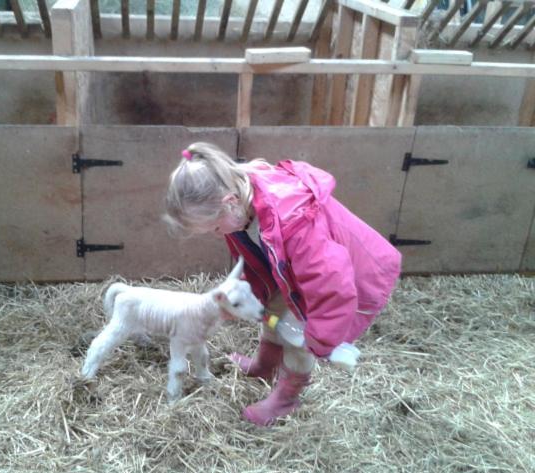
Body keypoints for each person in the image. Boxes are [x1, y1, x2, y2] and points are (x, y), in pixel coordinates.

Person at [164, 142, 402, 426]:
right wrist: (245, 296)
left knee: (298, 334)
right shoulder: (240, 209)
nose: (216, 235)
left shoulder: (294, 222)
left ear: (229, 202)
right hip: (297, 272)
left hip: (351, 275)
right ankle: (266, 366)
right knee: (274, 312)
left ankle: (288, 397)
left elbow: (332, 285)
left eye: (214, 228)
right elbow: (257, 260)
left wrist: (322, 337)